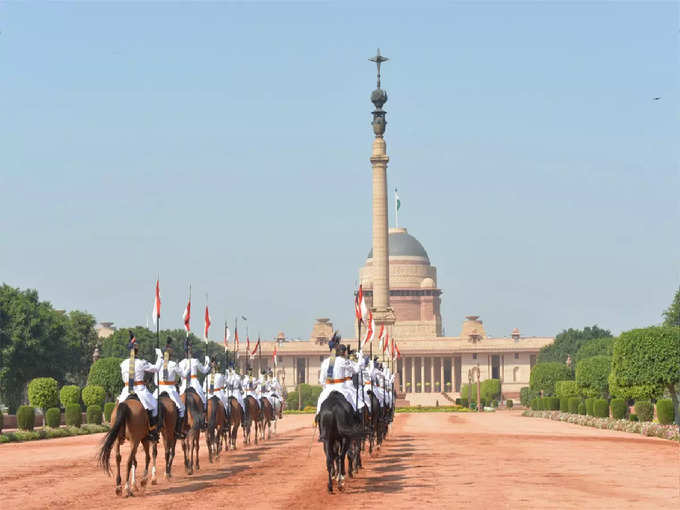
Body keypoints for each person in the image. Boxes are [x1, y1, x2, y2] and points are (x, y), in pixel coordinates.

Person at [117, 331, 160, 441]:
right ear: (137, 351)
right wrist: (160, 356)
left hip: (126, 390)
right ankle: (152, 429)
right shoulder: (142, 362)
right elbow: (156, 368)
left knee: (118, 408)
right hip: (140, 390)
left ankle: (118, 432)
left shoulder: (123, 363)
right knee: (154, 406)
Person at [316, 332, 360, 417]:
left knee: (320, 403)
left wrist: (326, 387)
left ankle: (317, 419)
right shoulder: (342, 360)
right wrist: (360, 359)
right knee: (355, 404)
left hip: (328, 389)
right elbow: (355, 370)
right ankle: (357, 417)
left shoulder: (325, 362)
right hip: (342, 388)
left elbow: (322, 380)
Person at [154, 337, 189, 439]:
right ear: (171, 356)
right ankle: (178, 430)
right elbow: (184, 374)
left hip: (159, 389)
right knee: (182, 408)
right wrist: (188, 368)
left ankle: (151, 429)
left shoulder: (159, 364)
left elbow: (156, 381)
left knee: (150, 408)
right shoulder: (173, 364)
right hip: (170, 390)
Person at [178, 345, 211, 411]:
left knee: (179, 398)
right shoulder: (195, 361)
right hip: (194, 382)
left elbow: (181, 375)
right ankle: (204, 410)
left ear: (185, 353)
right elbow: (204, 370)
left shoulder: (181, 362)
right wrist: (208, 363)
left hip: (184, 383)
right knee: (203, 399)